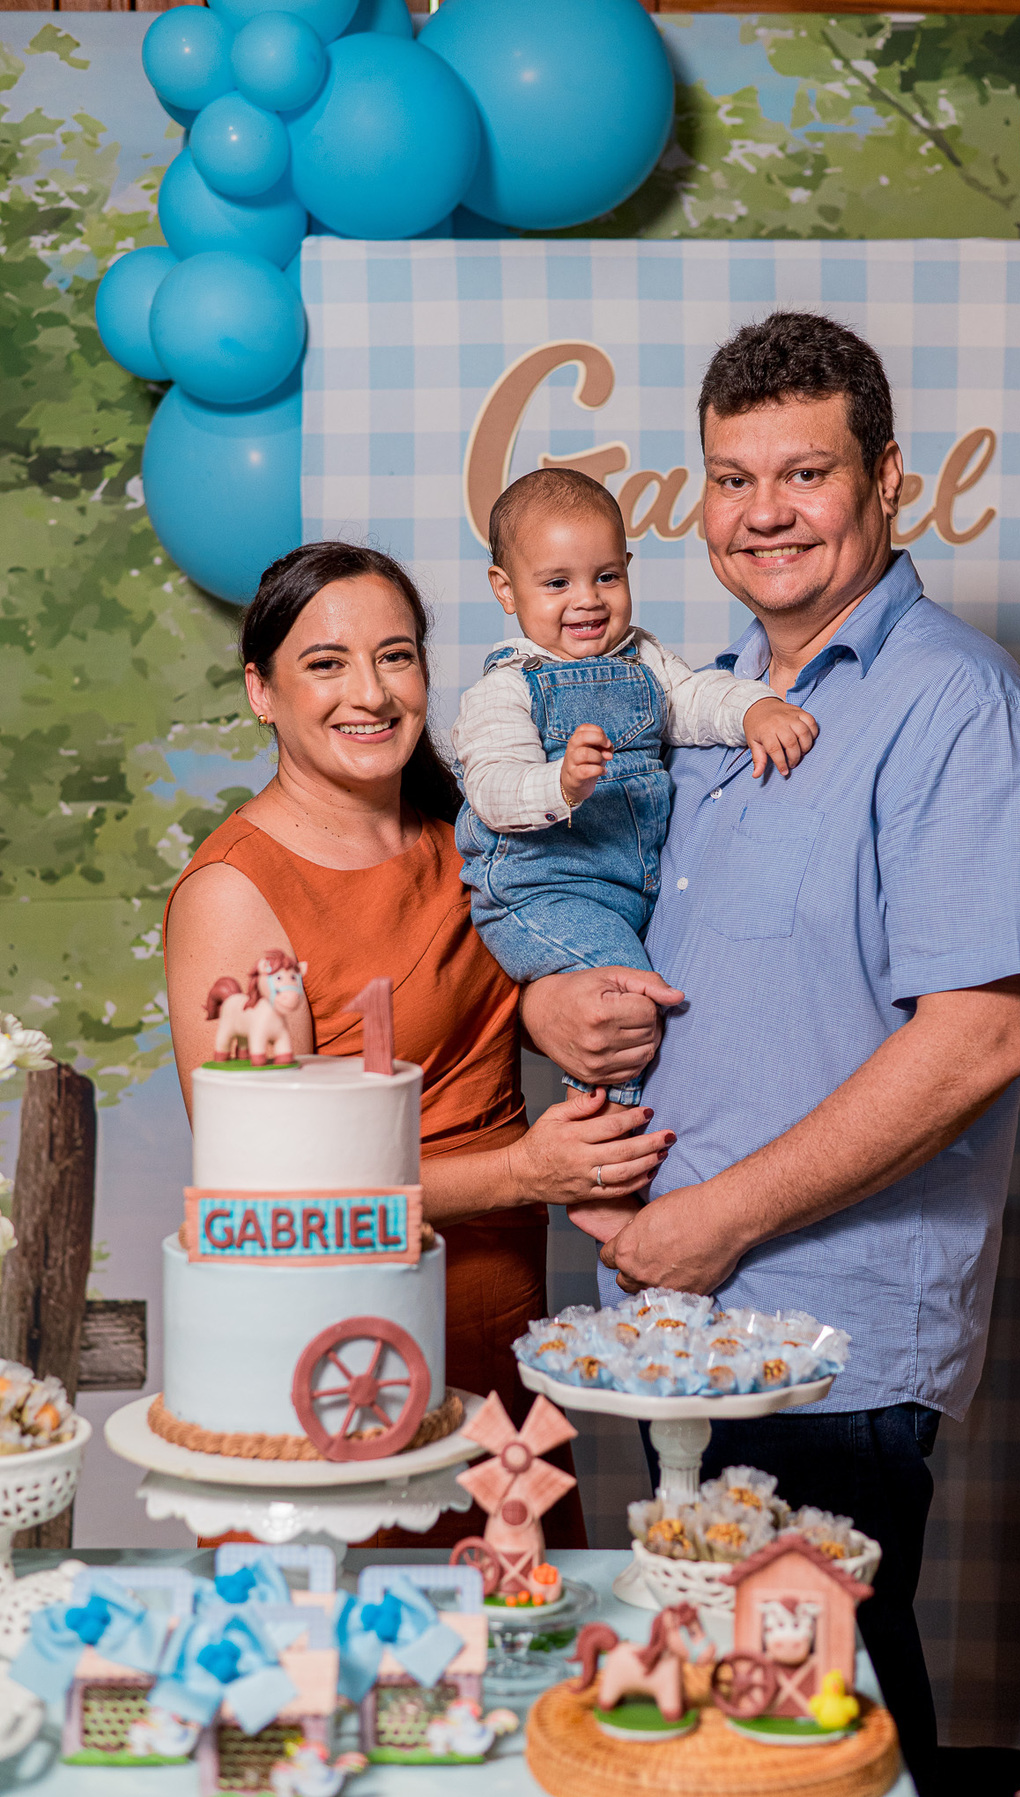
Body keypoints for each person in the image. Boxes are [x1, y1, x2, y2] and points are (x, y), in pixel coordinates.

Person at [519, 311, 1020, 1789]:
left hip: (823, 1351)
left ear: (887, 481)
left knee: (821, 1732)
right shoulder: (704, 711)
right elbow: (629, 944)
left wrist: (714, 1219)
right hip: (681, 1323)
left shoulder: (957, 707)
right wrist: (551, 1008)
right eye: (732, 478)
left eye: (806, 473)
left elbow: (982, 1036)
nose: (764, 512)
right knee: (735, 1725)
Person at [164, 540, 676, 1546]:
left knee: (516, 1621)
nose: (371, 692)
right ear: (261, 691)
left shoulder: (473, 840)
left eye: (395, 656)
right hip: (341, 1363)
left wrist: (562, 1006)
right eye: (326, 663)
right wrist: (524, 1172)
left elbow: (501, 993)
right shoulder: (235, 893)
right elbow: (272, 1199)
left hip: (495, 1336)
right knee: (354, 1634)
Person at [451, 465, 814, 1147]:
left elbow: (697, 699)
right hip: (541, 892)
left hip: (628, 887)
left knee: (663, 984)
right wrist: (559, 784)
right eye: (556, 583)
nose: (586, 601)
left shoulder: (642, 660)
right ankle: (602, 1149)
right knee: (625, 997)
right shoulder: (507, 688)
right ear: (505, 589)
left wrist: (755, 709)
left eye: (606, 577)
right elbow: (494, 788)